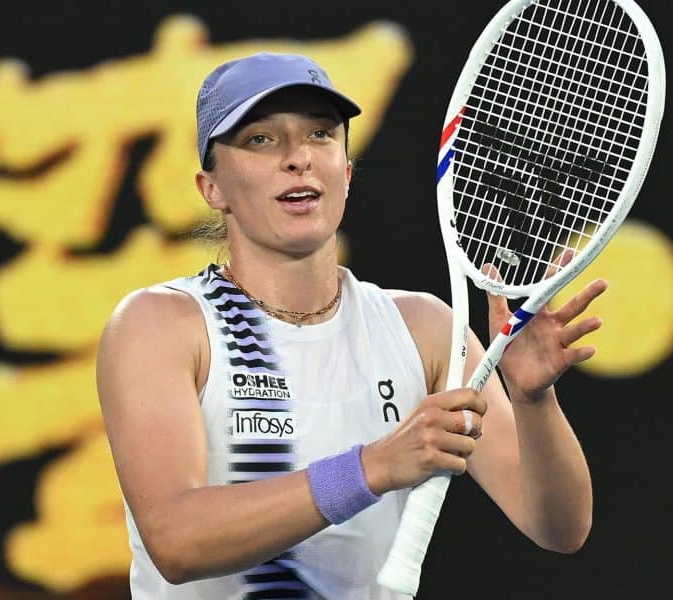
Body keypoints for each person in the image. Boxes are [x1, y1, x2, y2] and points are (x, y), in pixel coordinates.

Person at [97, 52, 606, 599]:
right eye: (261, 140)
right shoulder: (161, 324)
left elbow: (559, 528)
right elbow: (175, 541)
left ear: (346, 169)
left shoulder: (425, 329)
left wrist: (534, 402)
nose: (298, 158)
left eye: (320, 134)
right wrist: (372, 467)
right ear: (211, 188)